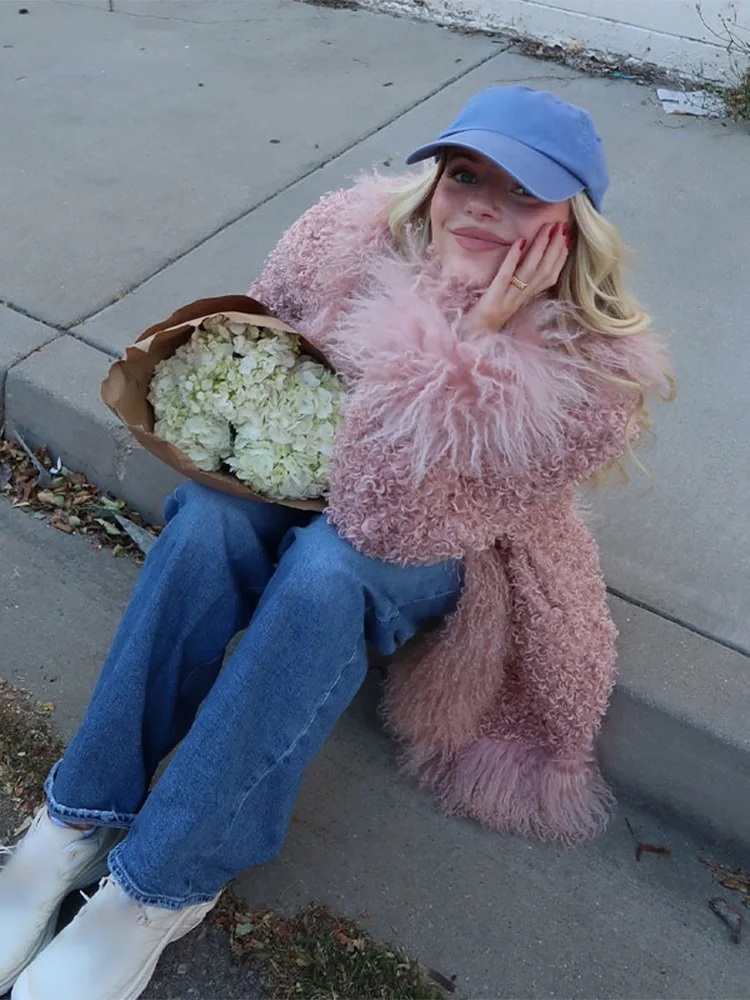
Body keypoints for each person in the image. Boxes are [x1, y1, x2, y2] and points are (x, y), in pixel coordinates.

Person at [0, 86, 671, 1000]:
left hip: (441, 536)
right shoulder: (347, 234)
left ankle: (160, 887)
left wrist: (457, 348)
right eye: (465, 174)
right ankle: (74, 818)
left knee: (325, 572)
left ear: (573, 222)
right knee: (211, 522)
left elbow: (389, 527)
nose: (480, 204)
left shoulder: (595, 376)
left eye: (523, 192)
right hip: (321, 478)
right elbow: (260, 354)